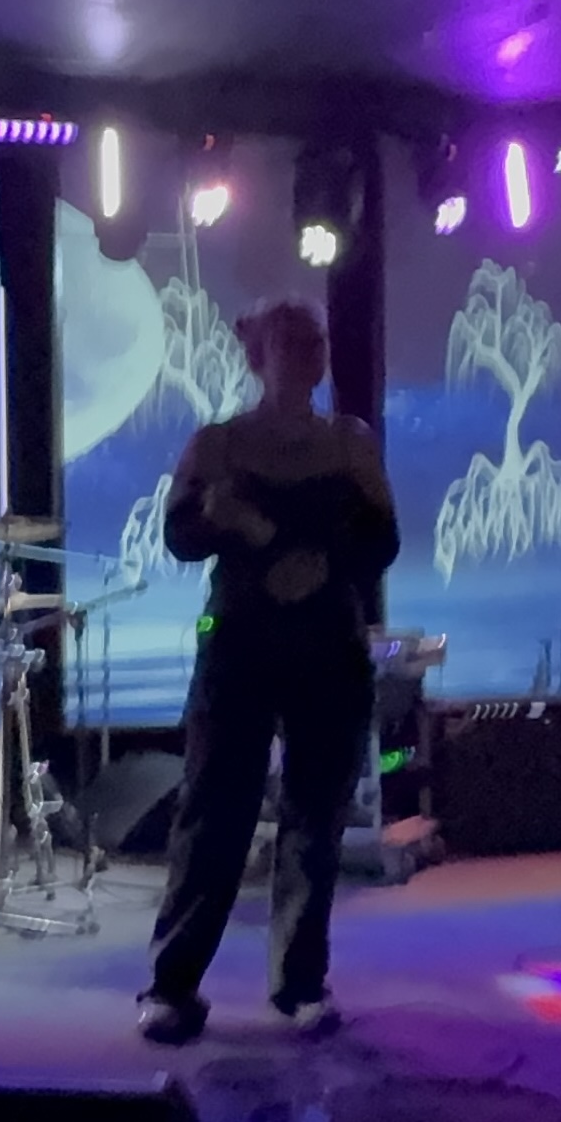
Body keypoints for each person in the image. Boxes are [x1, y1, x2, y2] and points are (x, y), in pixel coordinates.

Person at [138, 302, 399, 1044]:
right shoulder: (218, 443)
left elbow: (381, 542)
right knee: (213, 814)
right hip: (241, 643)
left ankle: (300, 983)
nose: (309, 353)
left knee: (315, 819)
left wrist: (323, 559)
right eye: (291, 343)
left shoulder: (349, 443)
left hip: (329, 642)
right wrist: (220, 520)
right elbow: (180, 537)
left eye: (315, 341)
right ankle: (171, 986)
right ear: (259, 357)